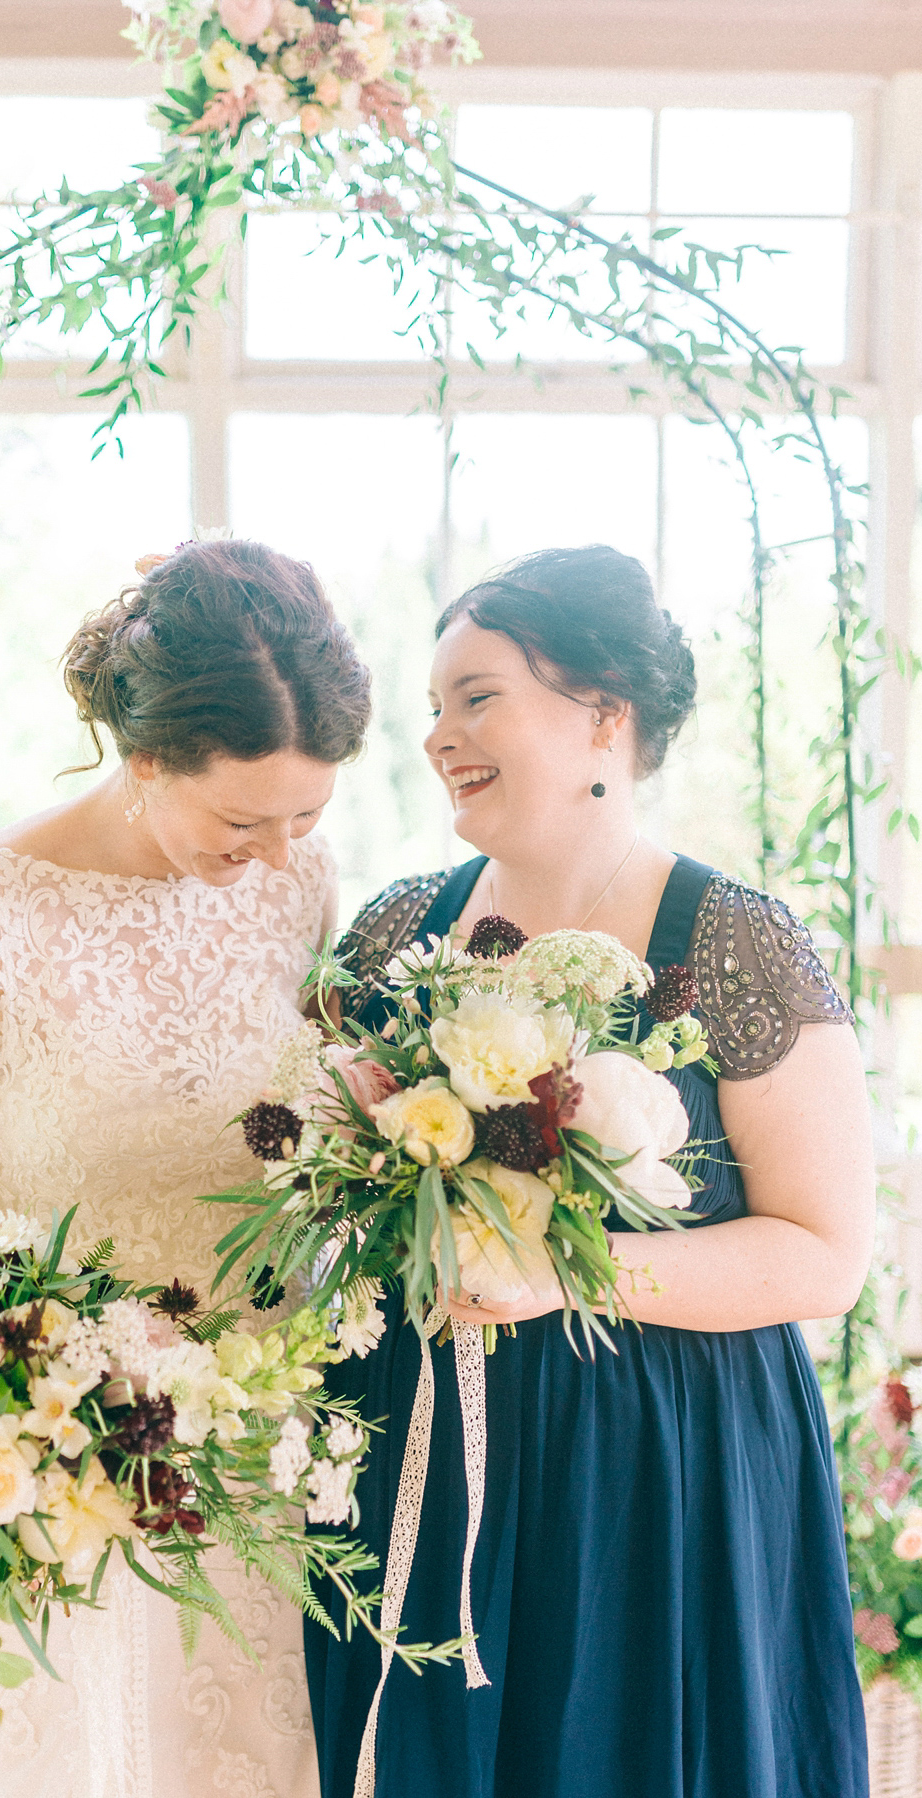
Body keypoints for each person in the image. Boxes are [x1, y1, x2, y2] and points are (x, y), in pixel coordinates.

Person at [305, 544, 874, 1798]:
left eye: (478, 696)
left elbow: (827, 1253)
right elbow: (316, 1164)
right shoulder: (398, 932)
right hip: (422, 1436)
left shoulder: (733, 943)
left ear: (604, 711)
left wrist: (565, 1274)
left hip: (659, 1469)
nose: (438, 736)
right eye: (435, 707)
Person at [0, 539, 371, 1798]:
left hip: (273, 1460)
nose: (275, 848)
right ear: (146, 759)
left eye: (307, 814)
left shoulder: (298, 883)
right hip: (66, 1467)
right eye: (242, 817)